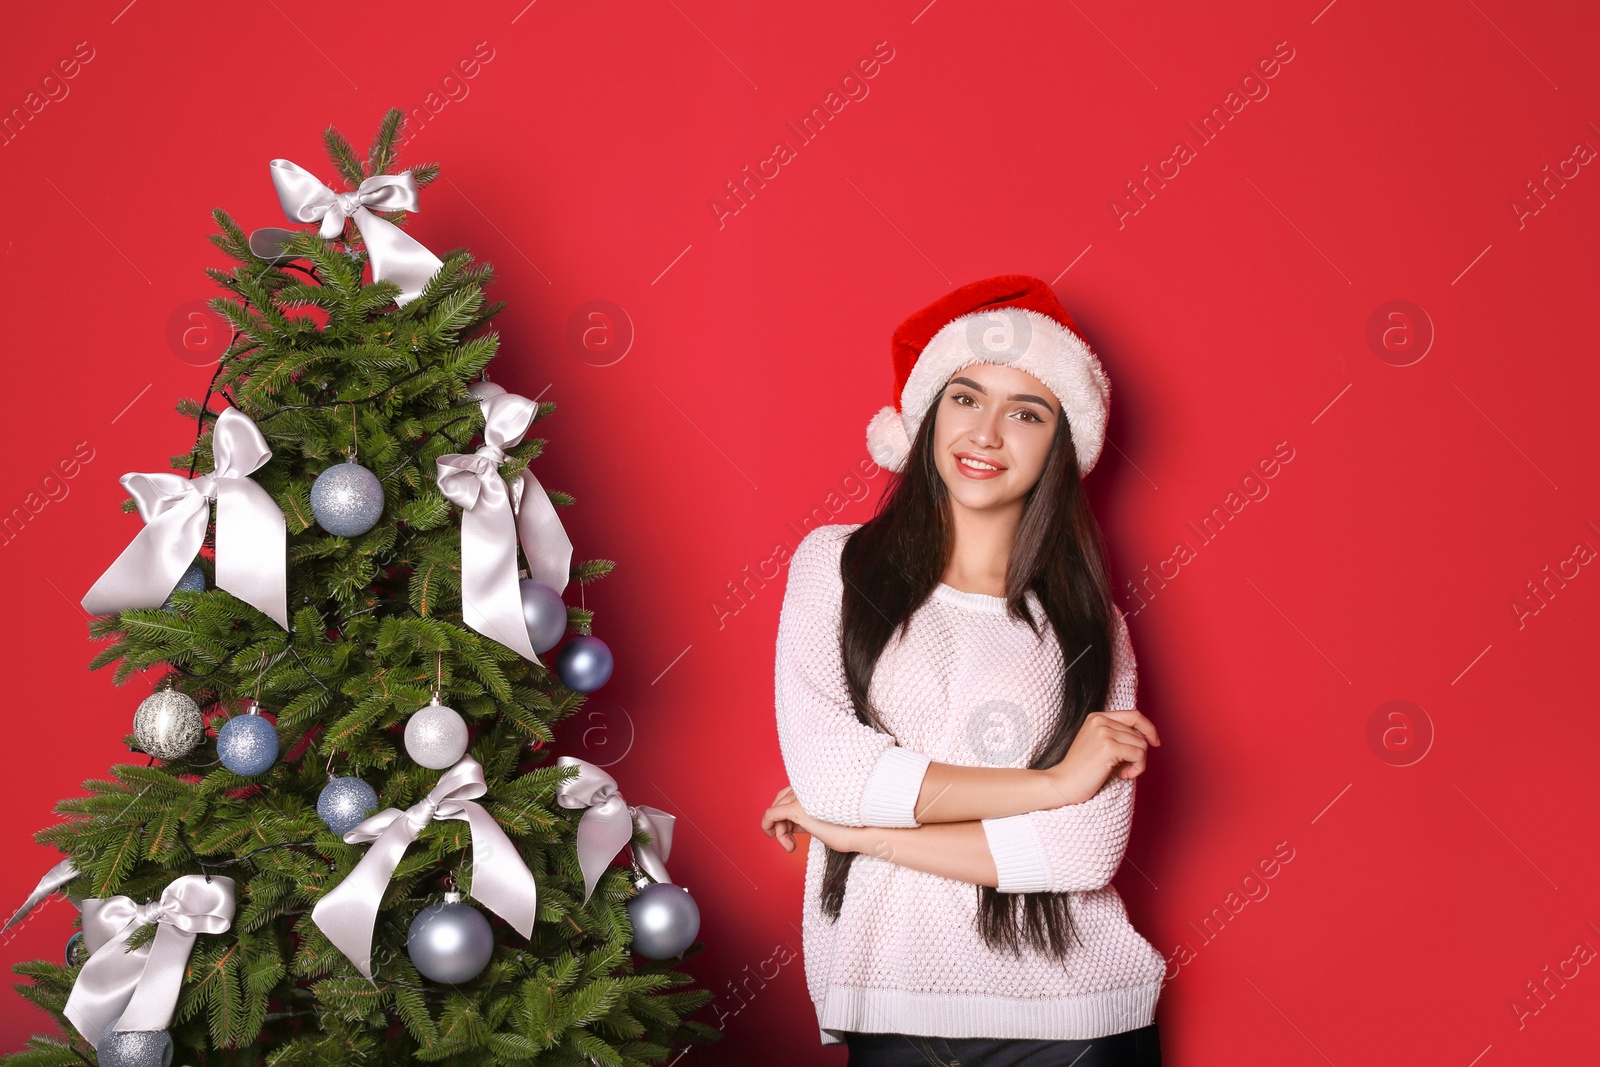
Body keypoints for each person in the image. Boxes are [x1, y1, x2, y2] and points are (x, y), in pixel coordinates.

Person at [760, 275, 1166, 1066]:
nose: (986, 432)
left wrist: (858, 834)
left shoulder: (1093, 625)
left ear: (1060, 443)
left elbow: (1081, 853)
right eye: (965, 397)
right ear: (926, 415)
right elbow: (832, 772)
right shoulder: (835, 567)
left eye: (1026, 412)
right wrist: (1051, 785)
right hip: (895, 1007)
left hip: (1084, 1019)